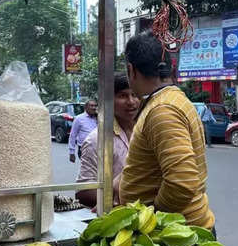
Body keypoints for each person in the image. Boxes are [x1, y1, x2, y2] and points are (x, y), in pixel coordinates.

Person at [117, 31, 216, 230]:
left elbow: (182, 183)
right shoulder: (170, 100)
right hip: (180, 228)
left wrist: (151, 219)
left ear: (131, 70)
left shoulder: (163, 110)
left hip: (176, 235)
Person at [75, 73, 139, 208]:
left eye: (135, 95)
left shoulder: (149, 132)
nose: (131, 101)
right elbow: (83, 192)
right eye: (123, 96)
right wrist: (119, 204)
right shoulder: (97, 140)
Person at [68, 98, 98, 163]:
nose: (94, 108)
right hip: (84, 149)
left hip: (97, 149)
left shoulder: (98, 118)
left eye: (95, 106)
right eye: (91, 106)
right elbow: (73, 135)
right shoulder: (79, 118)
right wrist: (71, 152)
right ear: (86, 107)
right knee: (87, 170)